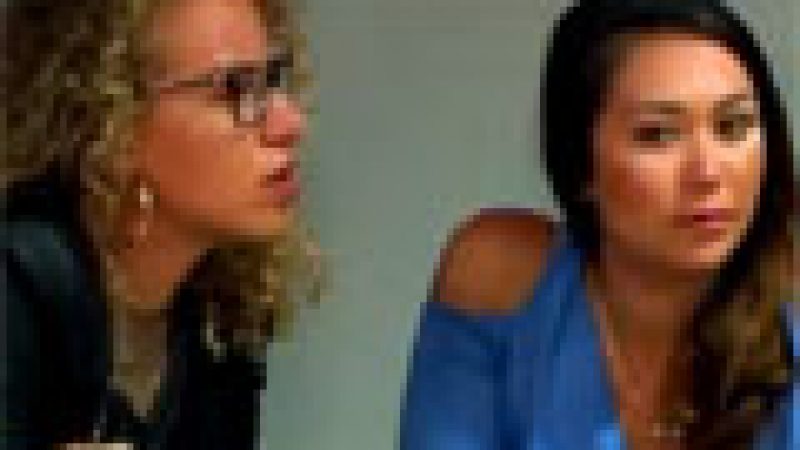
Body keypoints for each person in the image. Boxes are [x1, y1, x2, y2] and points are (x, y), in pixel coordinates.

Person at [400, 0, 797, 449]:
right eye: (657, 134)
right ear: (581, 164)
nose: (707, 173)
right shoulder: (502, 277)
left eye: (733, 126)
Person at [2, 0, 315, 447]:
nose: (290, 124)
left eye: (274, 79)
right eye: (234, 89)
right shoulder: (18, 284)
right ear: (115, 116)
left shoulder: (219, 319)